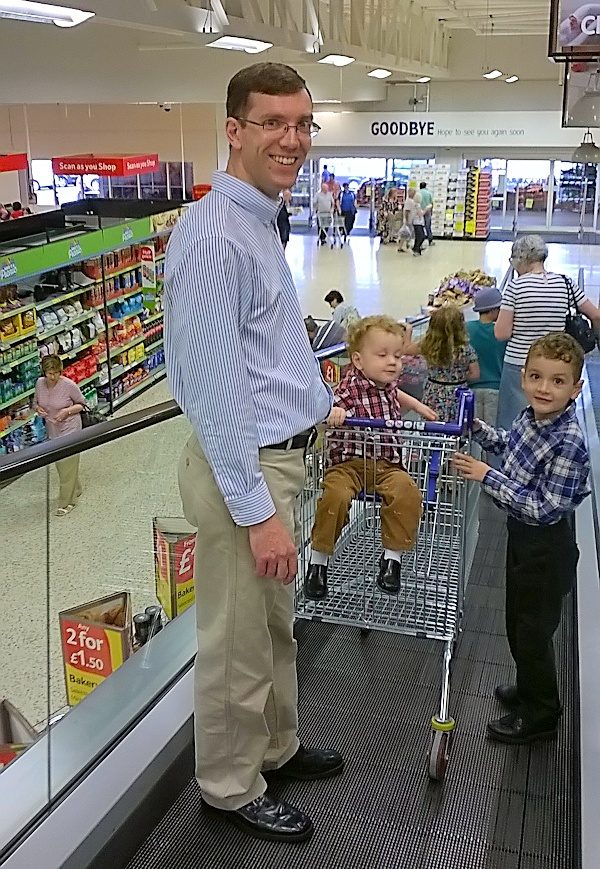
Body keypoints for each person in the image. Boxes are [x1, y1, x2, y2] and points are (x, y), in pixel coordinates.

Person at [164, 61, 342, 845]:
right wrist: (259, 510)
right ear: (233, 130)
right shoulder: (210, 235)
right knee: (237, 638)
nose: (291, 138)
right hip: (251, 468)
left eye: (302, 123)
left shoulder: (260, 217)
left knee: (273, 626)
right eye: (273, 122)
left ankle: (276, 745)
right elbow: (209, 390)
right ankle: (231, 785)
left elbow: (256, 352)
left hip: (281, 464)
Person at [453, 333, 590, 745]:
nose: (544, 388)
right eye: (536, 377)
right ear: (525, 379)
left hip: (547, 548)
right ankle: (528, 687)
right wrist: (477, 429)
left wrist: (486, 475)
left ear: (576, 388)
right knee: (517, 621)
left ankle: (542, 713)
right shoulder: (531, 418)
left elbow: (547, 508)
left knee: (533, 631)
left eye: (557, 381)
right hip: (522, 539)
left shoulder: (571, 442)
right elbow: (511, 445)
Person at [304, 316, 436, 601]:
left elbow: (395, 393)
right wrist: (334, 414)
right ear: (358, 361)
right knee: (334, 499)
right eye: (383, 355)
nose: (393, 362)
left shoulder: (387, 385)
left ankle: (391, 560)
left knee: (407, 494)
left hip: (387, 464)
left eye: (398, 356)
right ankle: (318, 562)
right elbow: (332, 406)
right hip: (348, 465)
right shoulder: (348, 388)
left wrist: (416, 405)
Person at [495, 234, 600, 430]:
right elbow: (595, 314)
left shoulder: (515, 287)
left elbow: (501, 333)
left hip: (521, 363)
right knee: (550, 419)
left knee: (512, 424)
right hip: (556, 362)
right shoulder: (566, 283)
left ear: (521, 259)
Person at [405, 305, 480, 422]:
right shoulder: (466, 348)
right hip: (458, 393)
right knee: (457, 426)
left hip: (433, 392)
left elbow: (406, 350)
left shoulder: (428, 345)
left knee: (431, 424)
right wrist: (457, 378)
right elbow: (475, 374)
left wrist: (408, 330)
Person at [35, 355, 85, 516]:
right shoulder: (39, 384)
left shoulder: (69, 385)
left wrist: (66, 411)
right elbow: (36, 402)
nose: (53, 376)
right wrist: (38, 409)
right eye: (49, 373)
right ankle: (76, 488)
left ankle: (67, 502)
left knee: (66, 464)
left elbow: (82, 404)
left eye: (56, 372)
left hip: (70, 429)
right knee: (63, 466)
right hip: (53, 430)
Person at [466, 287, 507, 429]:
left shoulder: (467, 329)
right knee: (491, 434)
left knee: (473, 433)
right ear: (493, 310)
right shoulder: (502, 333)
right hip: (495, 389)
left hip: (471, 390)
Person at [398, 188, 417, 253]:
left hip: (410, 220)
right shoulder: (409, 201)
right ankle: (408, 245)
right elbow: (406, 211)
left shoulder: (410, 201)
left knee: (406, 234)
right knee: (406, 234)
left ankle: (405, 245)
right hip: (409, 221)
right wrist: (406, 220)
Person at [411, 191, 426, 256]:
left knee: (418, 237)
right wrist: (426, 209)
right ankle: (416, 249)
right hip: (418, 223)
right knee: (421, 237)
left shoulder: (414, 204)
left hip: (415, 222)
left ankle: (416, 248)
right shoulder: (418, 205)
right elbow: (420, 214)